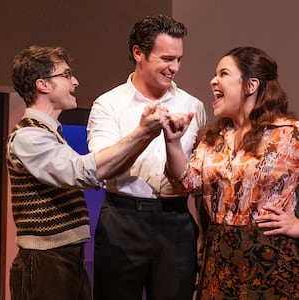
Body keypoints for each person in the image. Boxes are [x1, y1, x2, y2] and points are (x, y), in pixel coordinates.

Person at [7, 45, 170, 300]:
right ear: (43, 85)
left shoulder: (49, 133)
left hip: (65, 257)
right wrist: (141, 132)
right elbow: (82, 172)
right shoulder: (29, 136)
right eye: (66, 75)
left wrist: (146, 135)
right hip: (45, 261)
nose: (75, 82)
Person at [163, 46, 299, 299]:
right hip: (220, 256)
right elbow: (189, 183)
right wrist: (172, 142)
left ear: (251, 85)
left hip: (272, 257)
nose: (213, 80)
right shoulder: (214, 138)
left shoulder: (290, 134)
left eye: (224, 73)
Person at [87, 14, 206, 300]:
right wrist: (143, 132)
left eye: (179, 59)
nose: (174, 67)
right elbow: (99, 167)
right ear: (138, 53)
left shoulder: (193, 105)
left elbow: (200, 176)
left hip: (176, 219)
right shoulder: (109, 104)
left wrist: (202, 233)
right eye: (166, 59)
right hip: (123, 218)